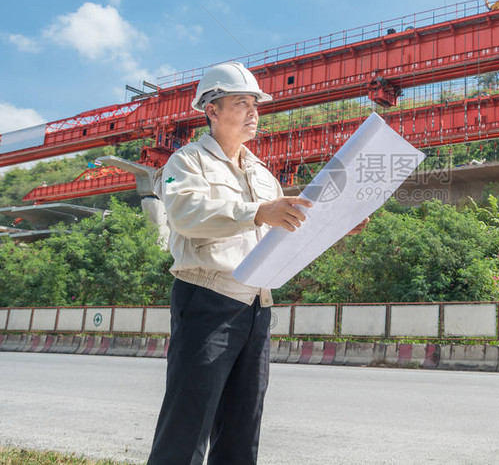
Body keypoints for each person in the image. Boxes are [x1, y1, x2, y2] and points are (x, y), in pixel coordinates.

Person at [147, 61, 366, 464]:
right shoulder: (185, 161)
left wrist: (332, 224)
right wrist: (258, 212)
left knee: (242, 428)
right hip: (207, 298)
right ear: (211, 110)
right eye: (242, 103)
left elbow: (279, 233)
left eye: (256, 104)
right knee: (188, 422)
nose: (254, 112)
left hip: (256, 307)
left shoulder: (265, 176)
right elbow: (184, 213)